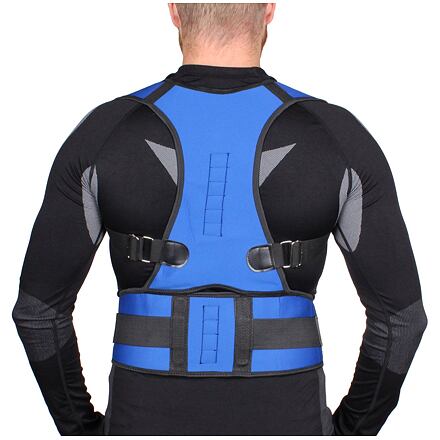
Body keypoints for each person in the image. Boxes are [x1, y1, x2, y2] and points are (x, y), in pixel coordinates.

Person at [13, 3, 427, 436]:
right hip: (289, 420)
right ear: (269, 9)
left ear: (174, 10)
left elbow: (39, 313)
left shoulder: (104, 133)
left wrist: (80, 430)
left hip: (143, 420)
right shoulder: (337, 136)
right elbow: (401, 321)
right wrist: (351, 431)